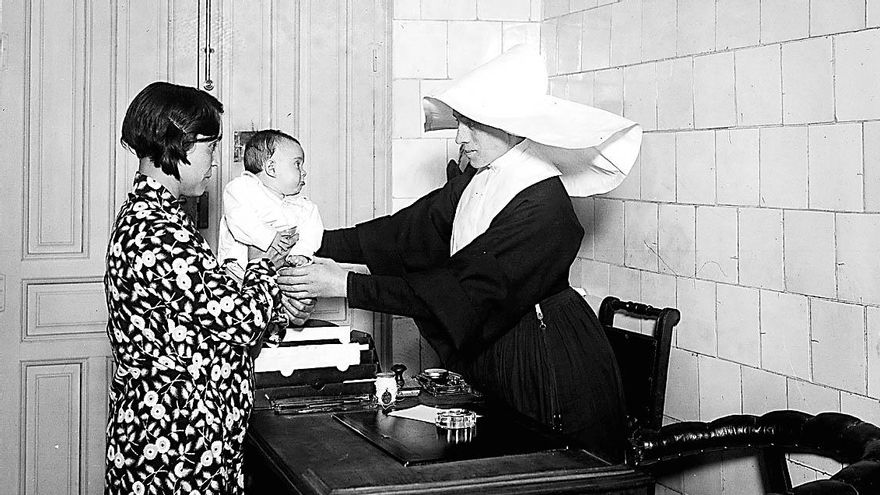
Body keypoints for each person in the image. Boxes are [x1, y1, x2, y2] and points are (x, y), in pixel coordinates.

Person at [278, 45, 643, 462]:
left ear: (511, 125)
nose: (458, 137)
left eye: (471, 124)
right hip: (503, 353)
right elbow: (402, 234)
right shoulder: (478, 179)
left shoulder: (543, 204)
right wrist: (309, 241)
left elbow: (460, 290)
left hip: (548, 364)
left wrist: (346, 284)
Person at [104, 82, 292, 495]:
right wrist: (266, 268)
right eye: (209, 148)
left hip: (178, 440)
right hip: (176, 446)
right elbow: (242, 322)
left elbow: (206, 309)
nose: (212, 162)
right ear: (178, 144)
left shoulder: (153, 218)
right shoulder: (159, 231)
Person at [218, 129, 324, 284]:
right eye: (297, 164)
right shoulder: (242, 188)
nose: (304, 172)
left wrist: (302, 252)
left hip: (276, 278)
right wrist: (269, 237)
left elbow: (312, 231)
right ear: (271, 168)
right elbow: (239, 219)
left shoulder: (300, 206)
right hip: (236, 275)